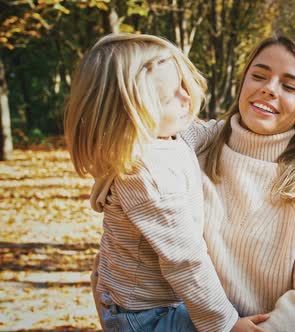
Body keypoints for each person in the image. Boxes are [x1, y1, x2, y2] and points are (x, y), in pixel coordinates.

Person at [92, 34, 295, 331]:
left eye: (289, 86)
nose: (268, 89)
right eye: (259, 76)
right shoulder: (189, 147)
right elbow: (131, 133)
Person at [64, 33, 267, 332]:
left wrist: (247, 124)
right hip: (144, 316)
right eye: (171, 95)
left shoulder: (166, 137)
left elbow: (205, 133)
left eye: (183, 85)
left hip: (139, 298)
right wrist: (226, 324)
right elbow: (184, 258)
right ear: (132, 112)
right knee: (256, 315)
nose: (186, 98)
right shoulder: (146, 173)